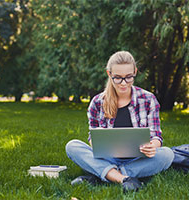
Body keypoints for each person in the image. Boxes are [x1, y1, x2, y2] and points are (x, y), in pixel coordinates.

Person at [66, 51, 174, 192]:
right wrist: (98, 143)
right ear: (109, 74)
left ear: (135, 72)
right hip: (107, 158)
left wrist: (152, 146)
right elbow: (93, 138)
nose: (124, 83)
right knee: (72, 146)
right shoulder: (97, 102)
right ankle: (124, 179)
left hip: (138, 160)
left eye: (129, 77)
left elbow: (156, 136)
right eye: (117, 78)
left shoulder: (148, 99)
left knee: (167, 154)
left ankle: (103, 175)